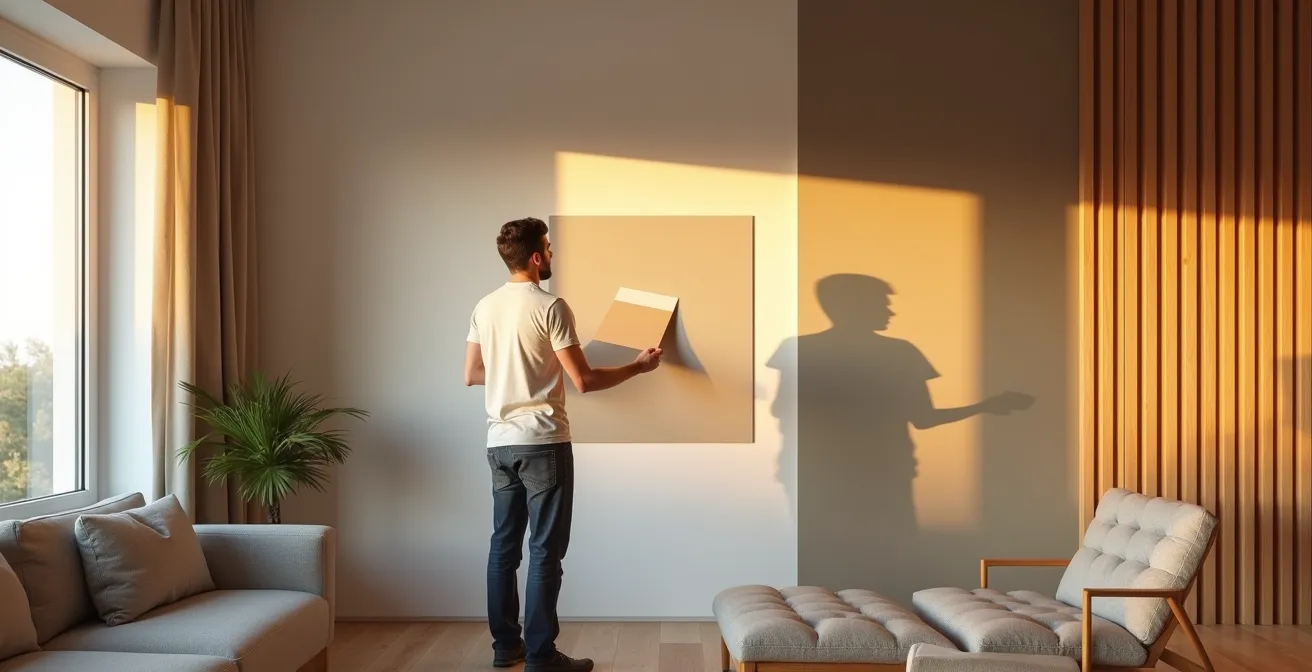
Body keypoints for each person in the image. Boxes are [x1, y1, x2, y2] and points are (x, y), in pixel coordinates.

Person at [464, 217, 662, 672]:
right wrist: (637, 367)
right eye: (549, 248)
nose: (552, 255)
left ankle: (504, 648)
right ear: (536, 257)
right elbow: (584, 380)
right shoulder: (551, 307)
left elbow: (472, 374)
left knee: (503, 548)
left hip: (499, 444)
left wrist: (521, 370)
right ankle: (540, 656)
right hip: (543, 443)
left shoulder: (485, 306)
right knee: (544, 552)